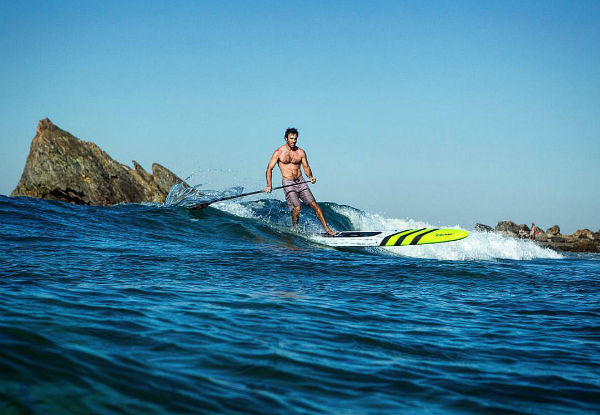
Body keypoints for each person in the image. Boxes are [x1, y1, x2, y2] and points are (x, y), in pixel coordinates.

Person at [265, 127, 336, 235]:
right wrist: (269, 184)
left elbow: (306, 167)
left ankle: (327, 229)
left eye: (295, 138)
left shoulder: (301, 152)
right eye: (291, 138)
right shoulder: (279, 152)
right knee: (297, 207)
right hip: (288, 182)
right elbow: (269, 168)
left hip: (301, 181)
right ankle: (295, 229)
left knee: (314, 205)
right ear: (286, 138)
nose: (293, 141)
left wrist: (310, 176)